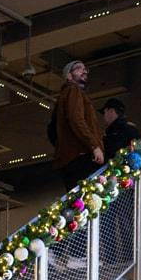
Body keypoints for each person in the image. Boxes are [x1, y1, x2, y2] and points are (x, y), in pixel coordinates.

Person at [52, 60, 104, 191]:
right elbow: (76, 120)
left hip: (71, 157)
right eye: (78, 69)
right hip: (79, 155)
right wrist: (94, 145)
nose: (84, 71)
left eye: (85, 68)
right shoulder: (73, 90)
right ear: (68, 76)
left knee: (78, 200)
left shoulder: (66, 95)